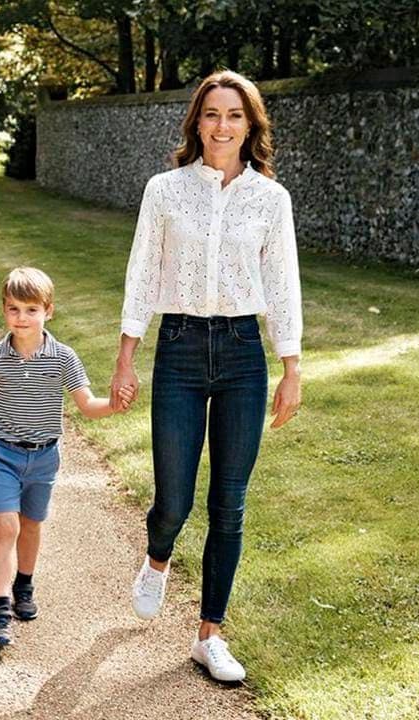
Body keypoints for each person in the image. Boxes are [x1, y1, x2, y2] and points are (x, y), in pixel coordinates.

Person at [111, 70, 303, 683]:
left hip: (245, 353)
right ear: (197, 121)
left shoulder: (270, 200)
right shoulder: (164, 190)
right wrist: (125, 355)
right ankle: (157, 557)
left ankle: (209, 635)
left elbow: (283, 286)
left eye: (235, 115)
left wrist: (290, 365)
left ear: (251, 125)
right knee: (174, 500)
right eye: (213, 114)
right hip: (180, 348)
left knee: (229, 503)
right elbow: (143, 272)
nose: (223, 126)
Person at [0, 267, 132, 647]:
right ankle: (0, 608)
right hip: (2, 454)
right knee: (5, 526)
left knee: (32, 525)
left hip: (44, 458)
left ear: (48, 311)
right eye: (13, 309)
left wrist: (114, 407)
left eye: (30, 310)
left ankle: (24, 584)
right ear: (4, 310)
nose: (21, 318)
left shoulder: (63, 358)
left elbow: (87, 405)